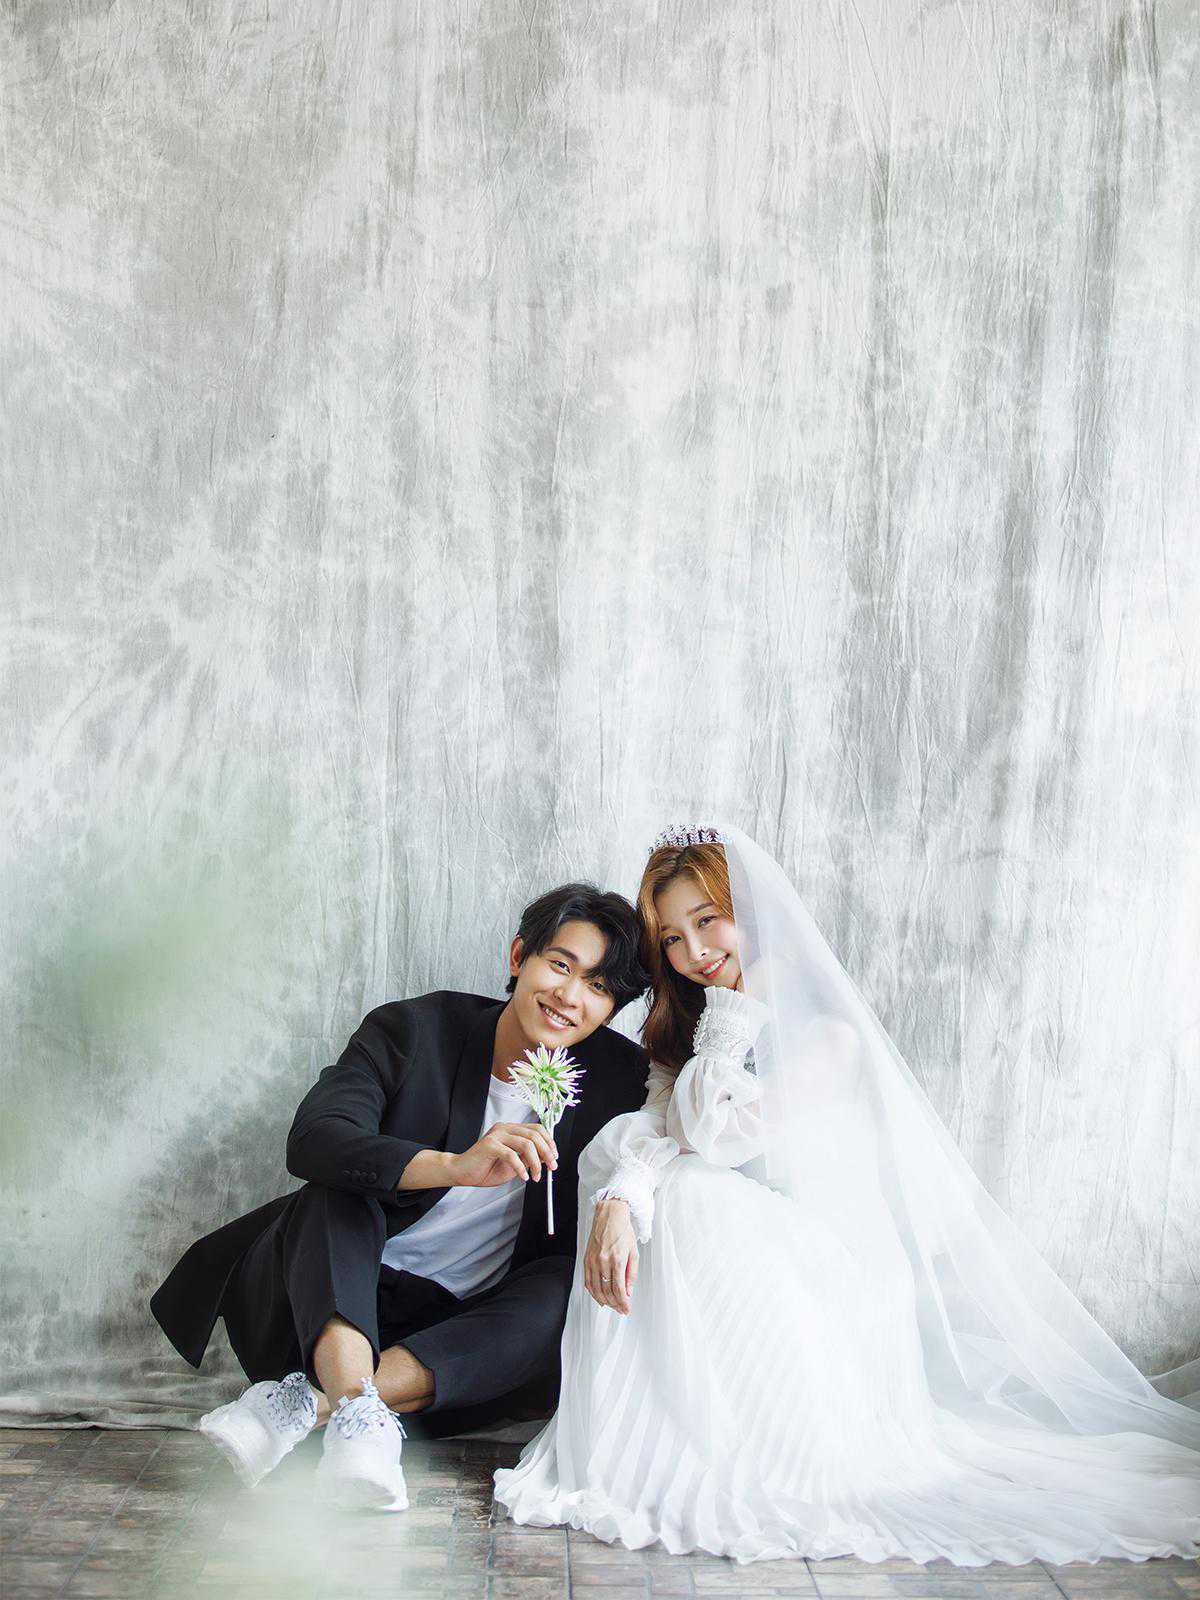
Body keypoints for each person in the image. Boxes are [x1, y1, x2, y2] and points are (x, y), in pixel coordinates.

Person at [493, 822, 1200, 1565]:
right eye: (671, 937)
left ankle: (707, 1447)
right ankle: (648, 1439)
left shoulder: (827, 1036)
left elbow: (709, 1139)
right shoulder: (691, 1038)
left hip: (835, 1274)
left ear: (750, 912)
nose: (694, 952)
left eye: (708, 920)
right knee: (622, 1162)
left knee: (690, 1189)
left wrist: (735, 1013)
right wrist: (618, 1199)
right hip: (746, 1263)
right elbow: (655, 1128)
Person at [150, 881, 650, 1510]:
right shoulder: (414, 1030)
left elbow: (681, 1128)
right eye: (560, 965)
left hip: (453, 1350)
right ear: (519, 954)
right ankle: (354, 1406)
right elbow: (314, 1138)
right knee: (336, 1191)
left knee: (563, 1287)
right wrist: (454, 1166)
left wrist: (619, 1203)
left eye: (598, 987)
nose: (570, 997)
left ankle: (311, 1408)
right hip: (321, 1302)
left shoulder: (618, 1078)